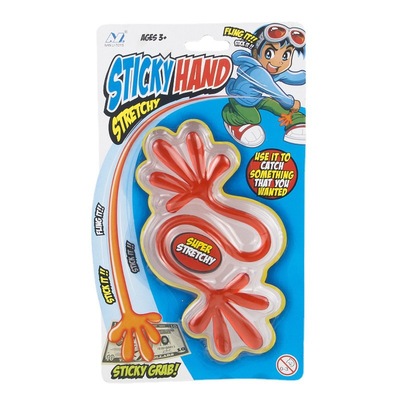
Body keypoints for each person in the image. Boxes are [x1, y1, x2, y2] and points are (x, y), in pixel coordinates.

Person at [222, 23, 306, 146]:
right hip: (240, 99)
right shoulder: (257, 72)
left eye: (285, 56)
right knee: (254, 118)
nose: (278, 62)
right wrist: (291, 103)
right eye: (269, 53)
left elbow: (291, 76)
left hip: (257, 98)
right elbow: (274, 92)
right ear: (255, 53)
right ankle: (232, 118)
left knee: (277, 106)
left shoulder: (273, 70)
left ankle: (297, 121)